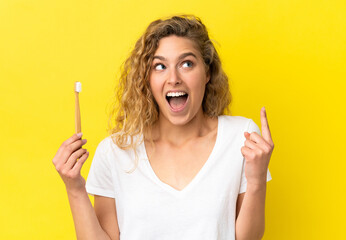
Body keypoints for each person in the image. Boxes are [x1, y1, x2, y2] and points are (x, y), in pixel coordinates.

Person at [52, 15, 274, 240]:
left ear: (207, 73)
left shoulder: (241, 138)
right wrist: (75, 189)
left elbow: (249, 238)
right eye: (160, 66)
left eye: (186, 64)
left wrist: (256, 181)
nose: (173, 78)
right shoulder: (115, 151)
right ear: (147, 79)